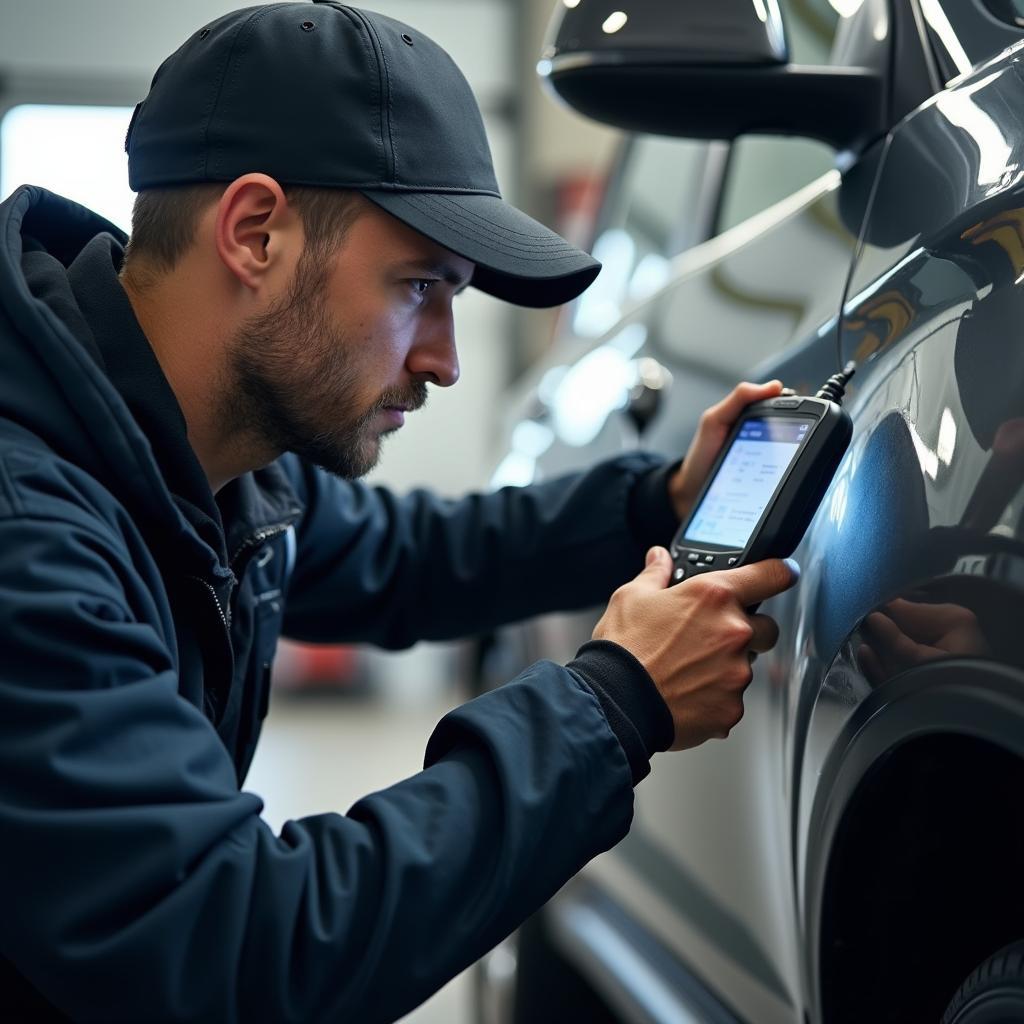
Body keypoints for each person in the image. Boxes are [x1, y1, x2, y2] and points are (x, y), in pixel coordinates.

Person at [0, 3, 798, 1021]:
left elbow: (409, 557)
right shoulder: (27, 533)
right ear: (255, 233)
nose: (446, 360)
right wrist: (613, 703)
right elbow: (236, 953)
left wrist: (655, 502)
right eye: (419, 284)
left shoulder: (208, 453)